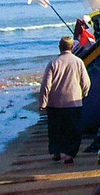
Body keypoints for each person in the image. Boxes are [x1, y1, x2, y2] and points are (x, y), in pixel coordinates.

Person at [39, 35, 91, 164]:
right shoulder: (78, 62)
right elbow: (86, 82)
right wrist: (83, 94)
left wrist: (43, 102)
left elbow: (46, 84)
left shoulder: (53, 63)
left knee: (56, 129)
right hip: (74, 102)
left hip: (55, 103)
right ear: (72, 47)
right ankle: (69, 154)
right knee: (73, 129)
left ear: (59, 47)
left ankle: (56, 152)